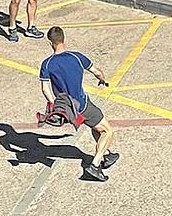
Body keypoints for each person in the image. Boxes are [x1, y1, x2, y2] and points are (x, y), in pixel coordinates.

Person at [38, 27, 118, 181]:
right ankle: (94, 166)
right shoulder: (76, 57)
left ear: (50, 43)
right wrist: (102, 80)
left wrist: (56, 106)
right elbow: (97, 72)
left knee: (96, 127)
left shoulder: (46, 64)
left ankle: (107, 155)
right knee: (108, 131)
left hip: (66, 110)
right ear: (63, 39)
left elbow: (45, 89)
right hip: (82, 105)